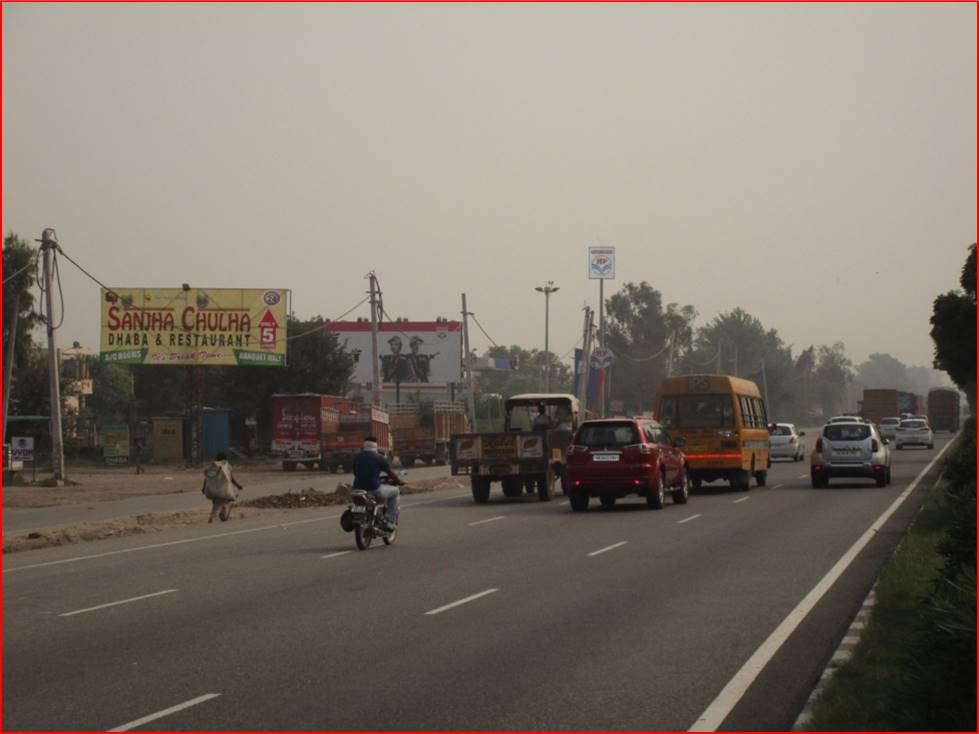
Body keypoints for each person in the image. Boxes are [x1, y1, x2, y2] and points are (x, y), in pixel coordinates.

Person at [351, 437, 403, 529]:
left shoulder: (357, 456)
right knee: (395, 492)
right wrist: (399, 481)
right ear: (376, 446)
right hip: (374, 489)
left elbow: (355, 472)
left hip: (356, 489)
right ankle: (389, 520)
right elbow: (390, 473)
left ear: (364, 445)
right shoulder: (379, 458)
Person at [201, 452, 244, 523]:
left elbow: (207, 479)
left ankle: (224, 516)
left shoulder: (211, 467)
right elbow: (231, 478)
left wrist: (203, 488)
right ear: (225, 459)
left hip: (211, 491)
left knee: (219, 502)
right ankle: (212, 518)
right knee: (223, 502)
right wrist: (238, 485)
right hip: (222, 491)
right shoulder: (226, 466)